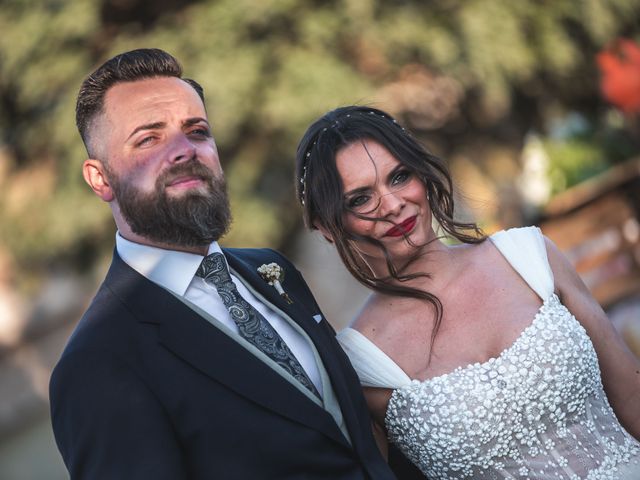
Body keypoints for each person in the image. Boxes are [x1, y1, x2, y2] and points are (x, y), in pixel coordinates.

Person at [48, 49, 417, 480]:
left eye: (196, 131)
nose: (184, 150)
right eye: (149, 139)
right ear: (100, 178)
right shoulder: (98, 363)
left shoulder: (272, 271)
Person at [294, 105, 640, 479]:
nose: (393, 205)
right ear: (327, 226)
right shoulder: (361, 364)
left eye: (399, 176)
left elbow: (632, 399)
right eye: (360, 199)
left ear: (422, 173)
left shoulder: (530, 257)